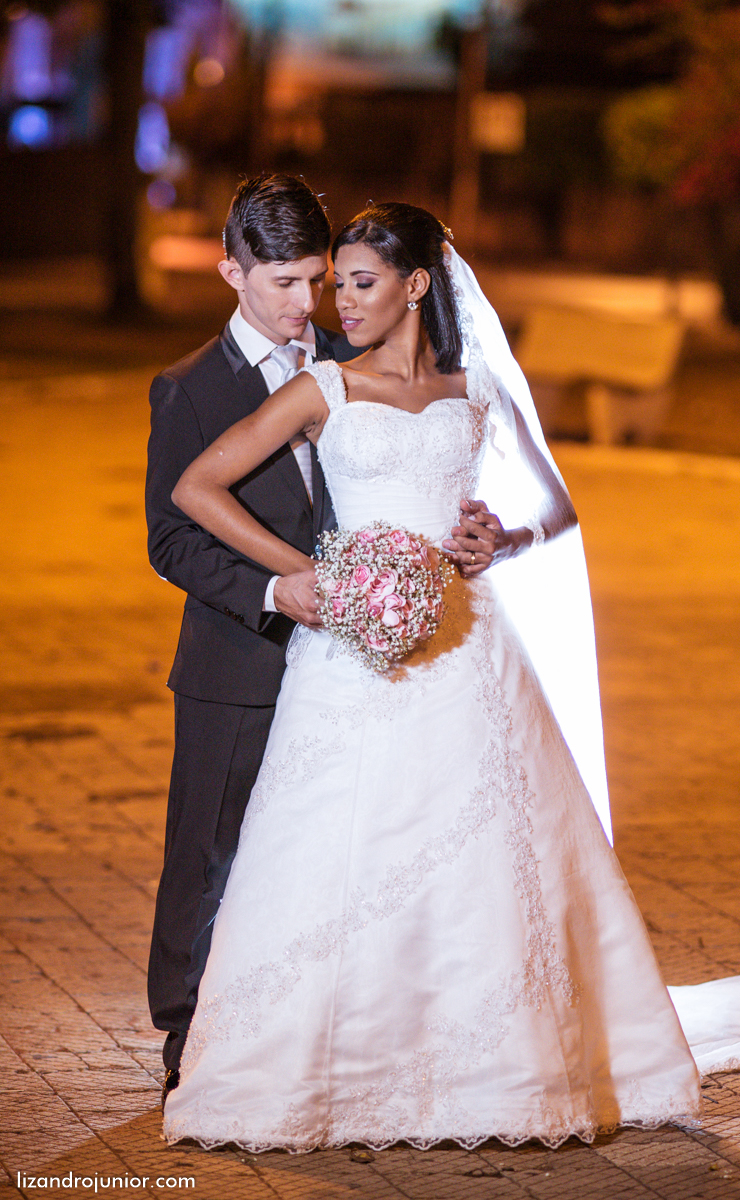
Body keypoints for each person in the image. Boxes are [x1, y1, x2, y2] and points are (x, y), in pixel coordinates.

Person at [162, 203, 740, 1152]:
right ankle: (319, 1067)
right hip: (350, 657)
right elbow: (195, 489)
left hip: (469, 650)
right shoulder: (324, 389)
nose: (340, 301)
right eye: (334, 284)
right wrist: (310, 576)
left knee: (488, 855)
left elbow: (552, 501)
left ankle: (500, 1065)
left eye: (360, 282)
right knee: (342, 847)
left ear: (417, 285)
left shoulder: (475, 390)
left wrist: (503, 534)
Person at [145, 178, 502, 1109]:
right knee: (211, 849)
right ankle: (188, 1029)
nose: (308, 305)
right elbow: (173, 536)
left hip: (357, 661)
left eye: (317, 280)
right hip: (238, 655)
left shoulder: (356, 354)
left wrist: (471, 531)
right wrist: (281, 587)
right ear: (232, 272)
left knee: (335, 852)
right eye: (285, 284)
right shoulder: (189, 388)